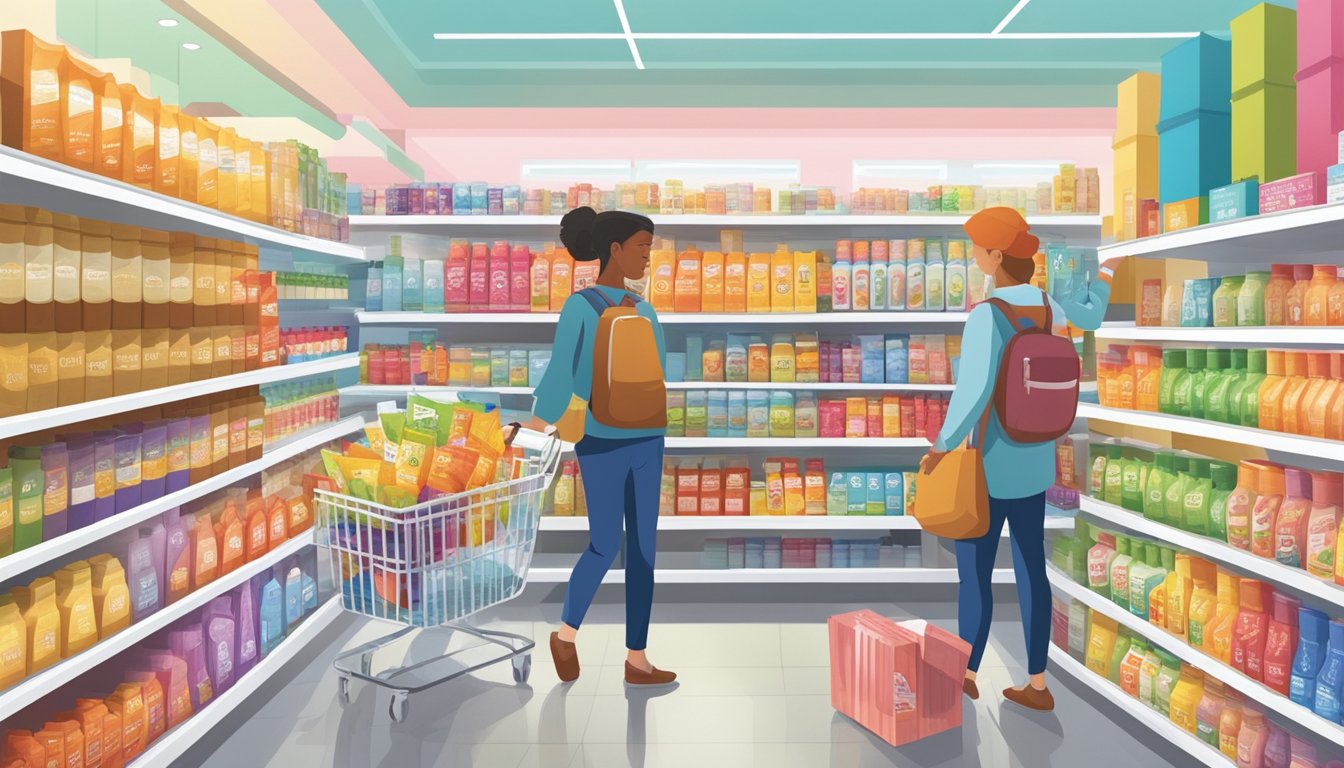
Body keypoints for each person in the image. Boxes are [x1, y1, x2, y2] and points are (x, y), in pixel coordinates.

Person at [920, 207, 1119, 712]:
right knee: (1033, 569)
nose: (974, 258)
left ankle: (966, 672)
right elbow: (1089, 321)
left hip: (985, 467)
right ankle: (1036, 683)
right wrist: (1107, 273)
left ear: (994, 257)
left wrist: (941, 446)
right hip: (1035, 460)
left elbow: (973, 391)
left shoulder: (988, 315)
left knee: (976, 574)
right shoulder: (1051, 309)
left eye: (977, 250)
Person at [531, 206, 676, 687]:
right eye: (642, 247)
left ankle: (637, 658)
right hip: (611, 441)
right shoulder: (601, 308)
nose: (648, 259)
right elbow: (558, 378)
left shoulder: (607, 308)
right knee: (608, 543)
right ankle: (566, 634)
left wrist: (537, 428)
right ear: (614, 250)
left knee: (640, 549)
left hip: (628, 437)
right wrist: (533, 433)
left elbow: (562, 380)